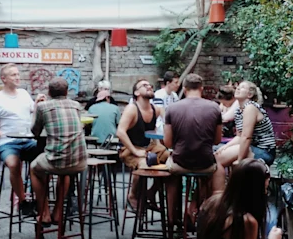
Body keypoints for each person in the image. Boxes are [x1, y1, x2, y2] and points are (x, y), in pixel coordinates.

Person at [0, 64, 46, 217]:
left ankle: (41, 204)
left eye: (18, 74)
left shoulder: (24, 94)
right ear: (3, 79)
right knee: (13, 164)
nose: (17, 77)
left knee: (44, 161)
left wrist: (38, 103)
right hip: (7, 141)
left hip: (28, 140)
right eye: (13, 75)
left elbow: (34, 112)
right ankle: (23, 201)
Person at [164, 74, 224, 225]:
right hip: (205, 164)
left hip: (180, 162)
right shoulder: (215, 108)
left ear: (184, 89)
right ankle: (201, 214)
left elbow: (168, 142)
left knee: (170, 173)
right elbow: (217, 140)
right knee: (208, 174)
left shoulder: (172, 108)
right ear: (201, 89)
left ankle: (171, 218)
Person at [30, 78, 88, 233]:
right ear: (67, 92)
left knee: (34, 169)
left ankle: (44, 213)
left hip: (56, 160)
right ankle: (57, 212)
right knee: (65, 170)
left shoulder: (43, 106)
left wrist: (36, 109)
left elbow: (35, 132)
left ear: (49, 92)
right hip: (80, 161)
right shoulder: (76, 105)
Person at [116, 78, 169, 209]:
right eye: (144, 85)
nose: (149, 87)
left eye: (150, 85)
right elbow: (120, 132)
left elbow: (156, 128)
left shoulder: (155, 109)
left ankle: (151, 192)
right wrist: (135, 151)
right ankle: (132, 195)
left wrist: (158, 146)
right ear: (136, 93)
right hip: (129, 148)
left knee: (171, 161)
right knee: (143, 164)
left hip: (148, 147)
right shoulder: (131, 109)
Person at [216, 80, 276, 167]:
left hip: (264, 151)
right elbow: (239, 137)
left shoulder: (250, 107)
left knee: (218, 160)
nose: (238, 88)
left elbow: (246, 137)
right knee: (218, 155)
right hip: (250, 148)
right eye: (238, 87)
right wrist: (225, 147)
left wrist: (240, 160)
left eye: (243, 87)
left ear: (250, 95)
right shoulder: (238, 111)